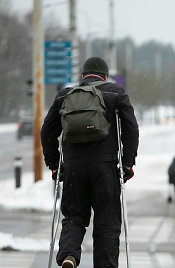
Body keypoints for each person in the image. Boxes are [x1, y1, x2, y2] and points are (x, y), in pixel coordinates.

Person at [41, 56, 139, 268]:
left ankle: (69, 255)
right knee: (106, 223)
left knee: (74, 217)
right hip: (105, 169)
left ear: (83, 76)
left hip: (74, 168)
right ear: (105, 76)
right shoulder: (115, 92)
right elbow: (131, 129)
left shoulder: (66, 95)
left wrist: (55, 165)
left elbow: (47, 132)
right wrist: (127, 163)